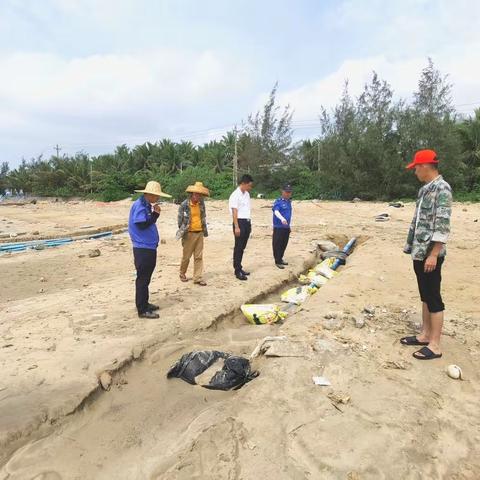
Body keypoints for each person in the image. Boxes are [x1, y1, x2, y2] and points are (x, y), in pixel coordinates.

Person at [400, 149, 452, 360]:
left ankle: (435, 345)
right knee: (425, 295)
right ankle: (424, 335)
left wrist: (434, 253)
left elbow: (442, 224)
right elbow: (418, 221)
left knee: (433, 297)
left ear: (424, 167)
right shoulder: (424, 190)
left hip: (431, 254)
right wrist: (411, 246)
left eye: (415, 168)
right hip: (419, 251)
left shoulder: (442, 189)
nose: (415, 173)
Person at [128, 181, 172, 319]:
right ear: (150, 194)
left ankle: (145, 303)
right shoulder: (140, 205)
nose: (158, 198)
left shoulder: (145, 205)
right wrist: (155, 215)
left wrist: (153, 214)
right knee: (143, 278)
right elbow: (141, 224)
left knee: (146, 278)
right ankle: (142, 309)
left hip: (147, 246)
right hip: (143, 247)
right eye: (156, 196)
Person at [176, 181, 210, 286]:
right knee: (186, 256)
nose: (198, 196)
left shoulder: (202, 204)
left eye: (200, 194)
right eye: (196, 194)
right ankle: (182, 273)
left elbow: (203, 217)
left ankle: (197, 278)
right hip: (188, 233)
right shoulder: (184, 205)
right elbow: (179, 220)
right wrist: (184, 232)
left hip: (199, 232)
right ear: (192, 194)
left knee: (198, 256)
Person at [229, 174, 254, 280]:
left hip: (246, 221)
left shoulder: (247, 194)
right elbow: (235, 211)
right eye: (249, 185)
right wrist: (236, 226)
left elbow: (247, 209)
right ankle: (237, 270)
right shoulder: (235, 195)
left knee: (242, 247)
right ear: (243, 184)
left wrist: (249, 224)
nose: (250, 188)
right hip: (239, 222)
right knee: (238, 247)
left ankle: (240, 267)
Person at [272, 183, 293, 269]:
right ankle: (277, 261)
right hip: (279, 227)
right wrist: (282, 219)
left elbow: (288, 214)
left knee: (284, 244)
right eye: (286, 192)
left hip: (286, 227)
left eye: (289, 192)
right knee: (277, 244)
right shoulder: (278, 202)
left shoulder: (289, 202)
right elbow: (276, 211)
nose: (288, 194)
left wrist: (288, 226)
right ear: (282, 192)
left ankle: (280, 258)